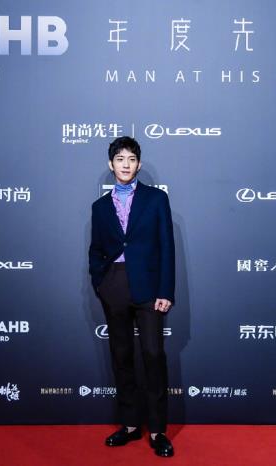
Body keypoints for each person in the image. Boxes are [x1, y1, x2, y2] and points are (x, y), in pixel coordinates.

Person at [88, 136, 176, 457]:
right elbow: (96, 249)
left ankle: (158, 430)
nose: (125, 164)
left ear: (138, 164)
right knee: (121, 356)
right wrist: (101, 282)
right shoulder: (100, 207)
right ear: (111, 165)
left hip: (149, 287)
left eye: (131, 159)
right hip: (114, 285)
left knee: (153, 355)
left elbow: (167, 245)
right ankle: (128, 425)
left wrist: (165, 290)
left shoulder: (156, 199)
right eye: (120, 159)